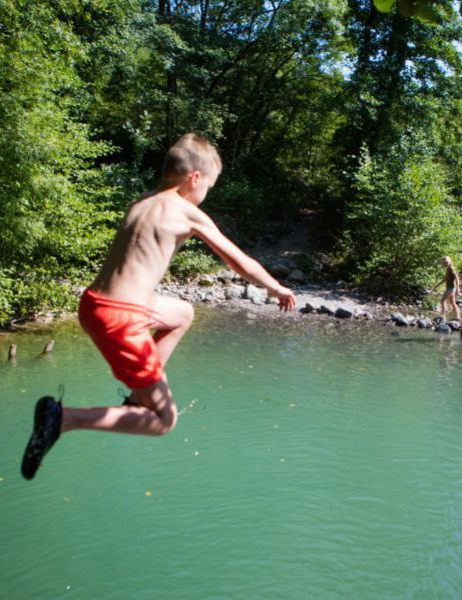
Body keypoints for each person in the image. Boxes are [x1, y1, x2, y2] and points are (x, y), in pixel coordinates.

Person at [21, 133, 296, 480]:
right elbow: (240, 263)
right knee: (164, 421)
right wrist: (277, 287)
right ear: (194, 178)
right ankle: (63, 419)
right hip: (122, 317)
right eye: (208, 187)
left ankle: (138, 397)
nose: (205, 195)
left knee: (183, 313)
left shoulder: (140, 203)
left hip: (93, 305)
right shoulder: (187, 212)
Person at [432, 256, 460, 321]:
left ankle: (443, 315)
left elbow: (457, 278)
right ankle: (458, 316)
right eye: (444, 263)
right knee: (452, 302)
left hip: (451, 288)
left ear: (450, 261)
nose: (445, 264)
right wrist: (437, 285)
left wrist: (458, 289)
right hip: (450, 288)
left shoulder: (451, 269)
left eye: (446, 262)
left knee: (443, 300)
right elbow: (445, 279)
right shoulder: (448, 269)